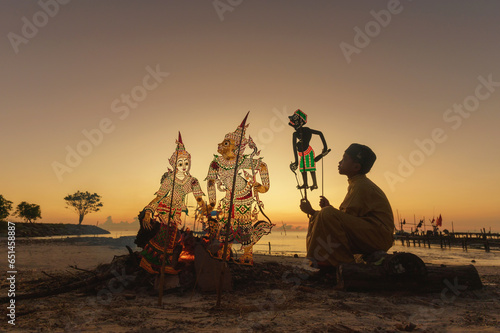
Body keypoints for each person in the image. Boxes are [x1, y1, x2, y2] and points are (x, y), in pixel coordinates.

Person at [300, 143, 395, 269]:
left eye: (344, 159)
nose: (339, 162)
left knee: (326, 213)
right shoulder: (357, 183)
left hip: (378, 236)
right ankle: (326, 261)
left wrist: (313, 211)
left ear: (356, 166)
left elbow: (344, 217)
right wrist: (324, 211)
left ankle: (343, 263)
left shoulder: (361, 186)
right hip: (376, 234)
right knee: (325, 213)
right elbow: (346, 218)